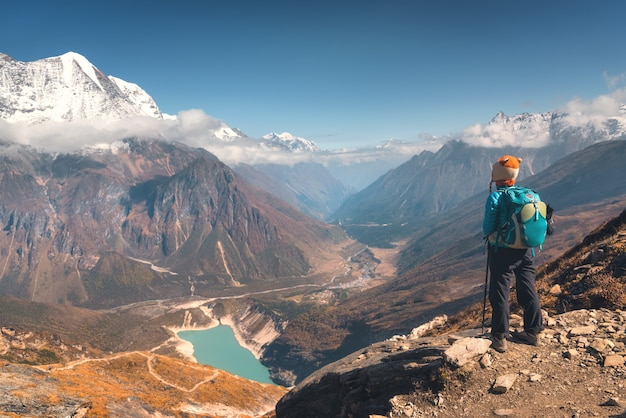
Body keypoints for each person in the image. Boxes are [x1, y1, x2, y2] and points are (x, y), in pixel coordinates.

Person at [482, 155, 544, 353]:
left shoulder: (496, 197)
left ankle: (500, 338)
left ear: (497, 177)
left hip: (502, 250)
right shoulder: (530, 195)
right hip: (526, 249)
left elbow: (488, 227)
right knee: (528, 288)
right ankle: (533, 332)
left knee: (500, 291)